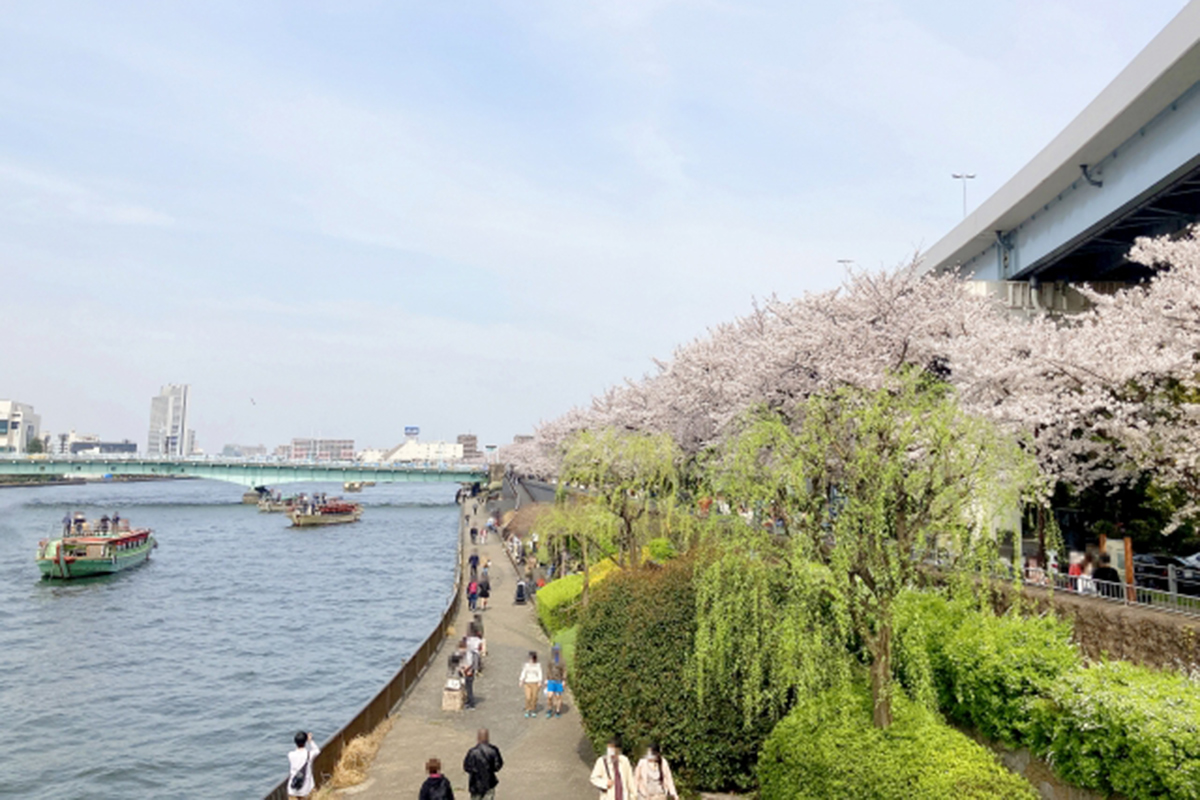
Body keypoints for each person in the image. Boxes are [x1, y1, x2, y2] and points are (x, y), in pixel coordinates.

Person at [463, 729, 503, 800]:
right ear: (487, 737)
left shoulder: (472, 752)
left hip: (475, 784)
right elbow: (498, 766)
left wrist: (475, 771)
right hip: (489, 783)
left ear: (478, 738)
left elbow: (466, 767)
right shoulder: (493, 750)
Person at [288, 731, 320, 799]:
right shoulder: (309, 754)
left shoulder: (290, 755)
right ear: (305, 742)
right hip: (305, 787)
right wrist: (310, 741)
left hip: (293, 786)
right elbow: (317, 750)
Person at [518, 651, 543, 718]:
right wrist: (521, 680)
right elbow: (524, 672)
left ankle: (533, 709)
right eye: (529, 658)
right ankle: (527, 709)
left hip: (535, 682)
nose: (530, 659)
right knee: (528, 697)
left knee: (534, 697)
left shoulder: (538, 665)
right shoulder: (526, 665)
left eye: (531, 658)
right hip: (527, 683)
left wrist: (540, 681)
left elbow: (540, 673)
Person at [546, 645, 566, 717]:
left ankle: (558, 711)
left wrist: (564, 680)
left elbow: (564, 671)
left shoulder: (562, 661)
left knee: (558, 697)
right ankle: (549, 709)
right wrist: (547, 679)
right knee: (549, 696)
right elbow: (548, 670)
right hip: (551, 680)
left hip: (559, 681)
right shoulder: (550, 660)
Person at [458, 637, 477, 709]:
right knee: (466, 687)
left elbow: (469, 664)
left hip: (470, 673)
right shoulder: (464, 653)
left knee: (469, 688)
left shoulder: (469, 654)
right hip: (466, 672)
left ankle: (471, 703)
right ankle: (468, 701)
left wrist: (464, 669)